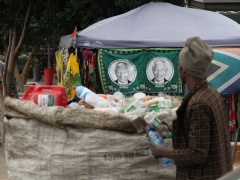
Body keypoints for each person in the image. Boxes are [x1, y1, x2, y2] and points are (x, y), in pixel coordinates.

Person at [149, 37, 233, 180]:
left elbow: (198, 154)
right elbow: (202, 135)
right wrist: (170, 131)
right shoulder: (211, 94)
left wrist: (164, 152)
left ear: (183, 68)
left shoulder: (198, 103)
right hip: (220, 172)